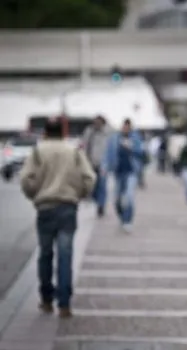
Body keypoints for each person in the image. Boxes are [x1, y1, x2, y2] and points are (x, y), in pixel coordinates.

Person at [20, 118, 96, 318]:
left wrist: (34, 195)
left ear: (45, 132)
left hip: (45, 207)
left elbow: (26, 178)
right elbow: (89, 177)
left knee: (45, 254)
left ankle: (46, 300)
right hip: (67, 207)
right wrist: (79, 194)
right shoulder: (73, 151)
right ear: (63, 132)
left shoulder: (38, 151)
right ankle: (64, 303)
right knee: (66, 254)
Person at [102, 118, 144, 233]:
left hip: (131, 171)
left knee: (129, 197)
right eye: (124, 126)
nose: (125, 129)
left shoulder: (135, 138)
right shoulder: (115, 138)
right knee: (117, 199)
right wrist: (105, 166)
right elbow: (108, 153)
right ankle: (122, 217)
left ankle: (128, 220)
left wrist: (131, 147)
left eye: (128, 127)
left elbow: (141, 152)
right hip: (118, 172)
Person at [82, 115, 111, 217]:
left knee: (102, 185)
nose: (96, 124)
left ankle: (101, 206)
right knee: (93, 186)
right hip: (91, 163)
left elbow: (111, 148)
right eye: (95, 122)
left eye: (98, 123)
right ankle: (96, 199)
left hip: (103, 164)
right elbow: (84, 145)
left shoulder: (108, 133)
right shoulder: (89, 132)